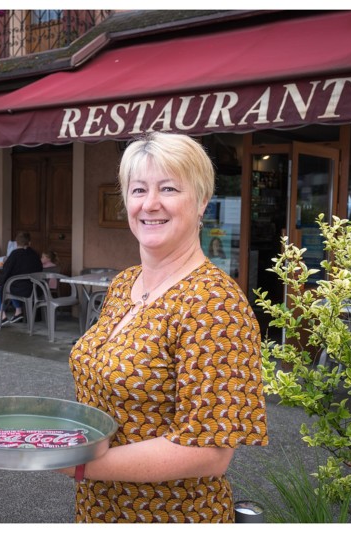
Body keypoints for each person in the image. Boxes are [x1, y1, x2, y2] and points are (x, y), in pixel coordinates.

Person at [61, 132, 268, 523]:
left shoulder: (214, 304)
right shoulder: (125, 284)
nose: (150, 204)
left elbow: (209, 451)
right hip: (98, 511)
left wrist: (76, 464)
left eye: (169, 188)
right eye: (139, 189)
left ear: (202, 201)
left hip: (172, 516)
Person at [0, 232, 42, 327]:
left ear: (16, 243)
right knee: (10, 285)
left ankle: (2, 316)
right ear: (29, 243)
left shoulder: (14, 254)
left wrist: (0, 283)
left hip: (20, 289)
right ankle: (18, 312)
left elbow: (6, 271)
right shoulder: (35, 254)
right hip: (35, 288)